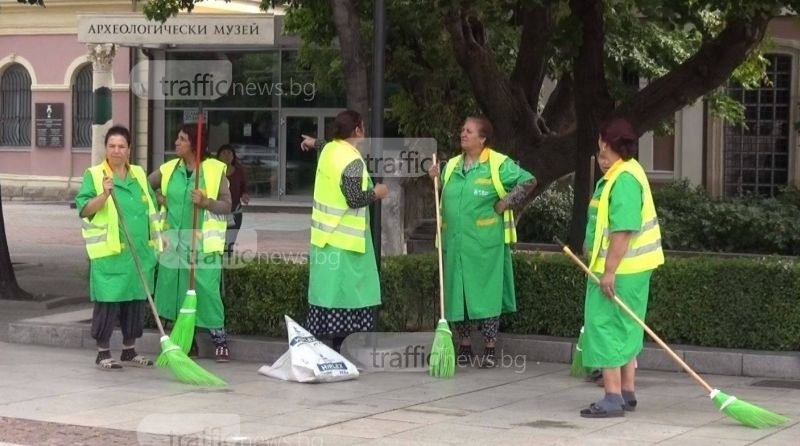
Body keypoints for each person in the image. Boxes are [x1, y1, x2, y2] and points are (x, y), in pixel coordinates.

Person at [429, 116, 536, 368]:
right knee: (460, 295)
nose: (462, 134)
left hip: (485, 245)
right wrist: (434, 178)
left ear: (483, 138)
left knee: (486, 294)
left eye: (469, 131)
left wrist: (505, 202)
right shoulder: (452, 165)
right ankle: (464, 344)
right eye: (462, 129)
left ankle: (489, 347)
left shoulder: (498, 163)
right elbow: (442, 194)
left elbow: (529, 180)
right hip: (456, 244)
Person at [579, 117, 664, 418]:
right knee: (626, 326)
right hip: (634, 269)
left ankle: (612, 397)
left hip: (622, 269)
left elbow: (623, 230)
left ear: (613, 147)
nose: (601, 158)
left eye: (603, 152)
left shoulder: (623, 180)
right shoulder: (629, 171)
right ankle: (626, 392)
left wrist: (609, 271)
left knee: (605, 327)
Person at [76, 125, 160, 370]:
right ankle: (103, 352)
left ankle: (129, 350)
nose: (116, 150)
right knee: (108, 301)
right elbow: (84, 209)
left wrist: (158, 238)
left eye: (121, 146)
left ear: (129, 150)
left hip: (139, 253)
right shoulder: (94, 175)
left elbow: (152, 208)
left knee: (135, 301)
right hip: (110, 254)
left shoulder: (139, 175)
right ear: (105, 149)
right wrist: (103, 195)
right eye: (111, 146)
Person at [149, 123, 233, 362]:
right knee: (175, 293)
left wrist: (206, 203)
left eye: (183, 139)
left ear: (195, 144)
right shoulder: (168, 169)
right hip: (174, 244)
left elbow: (227, 206)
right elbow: (145, 187)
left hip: (203, 245)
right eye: (177, 137)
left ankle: (220, 341)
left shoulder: (216, 170)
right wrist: (159, 197)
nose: (177, 142)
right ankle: (187, 341)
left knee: (206, 292)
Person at [306, 110, 388, 352]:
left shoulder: (330, 150)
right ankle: (340, 351)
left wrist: (313, 143)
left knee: (325, 297)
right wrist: (378, 193)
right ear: (358, 130)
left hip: (324, 238)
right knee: (346, 299)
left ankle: (323, 352)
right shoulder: (351, 160)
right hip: (345, 242)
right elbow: (353, 198)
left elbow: (327, 145)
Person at [216, 144, 249, 258]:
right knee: (217, 244)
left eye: (229, 153)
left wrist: (244, 195)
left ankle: (226, 266)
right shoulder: (214, 172)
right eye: (224, 153)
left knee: (228, 244)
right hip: (218, 213)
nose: (227, 156)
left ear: (233, 156)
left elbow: (243, 188)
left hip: (235, 213)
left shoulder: (239, 171)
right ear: (218, 156)